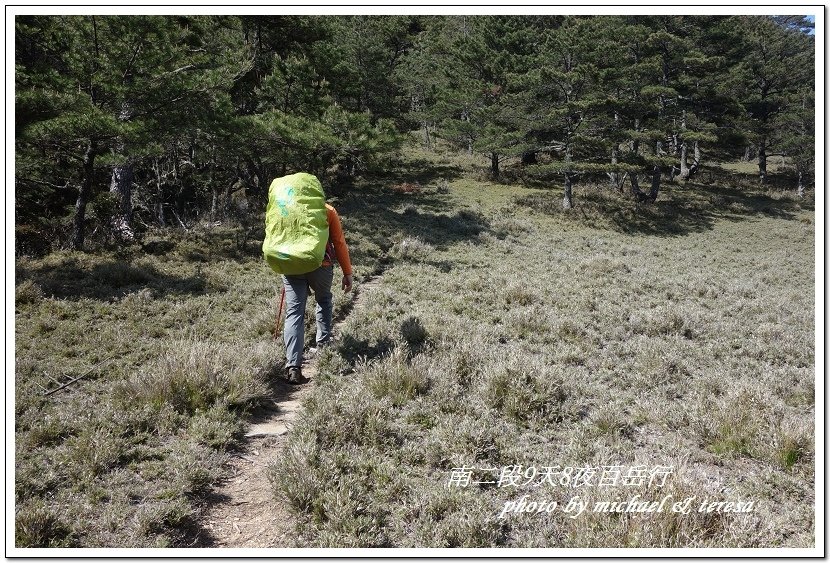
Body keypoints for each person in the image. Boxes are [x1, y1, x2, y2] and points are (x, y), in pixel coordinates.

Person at [282, 202, 353, 384]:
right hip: (321, 265)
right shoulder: (327, 210)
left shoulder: (286, 208)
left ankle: (293, 366)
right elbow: (338, 242)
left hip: (292, 265)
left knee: (294, 313)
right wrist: (347, 272)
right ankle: (323, 346)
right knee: (323, 300)